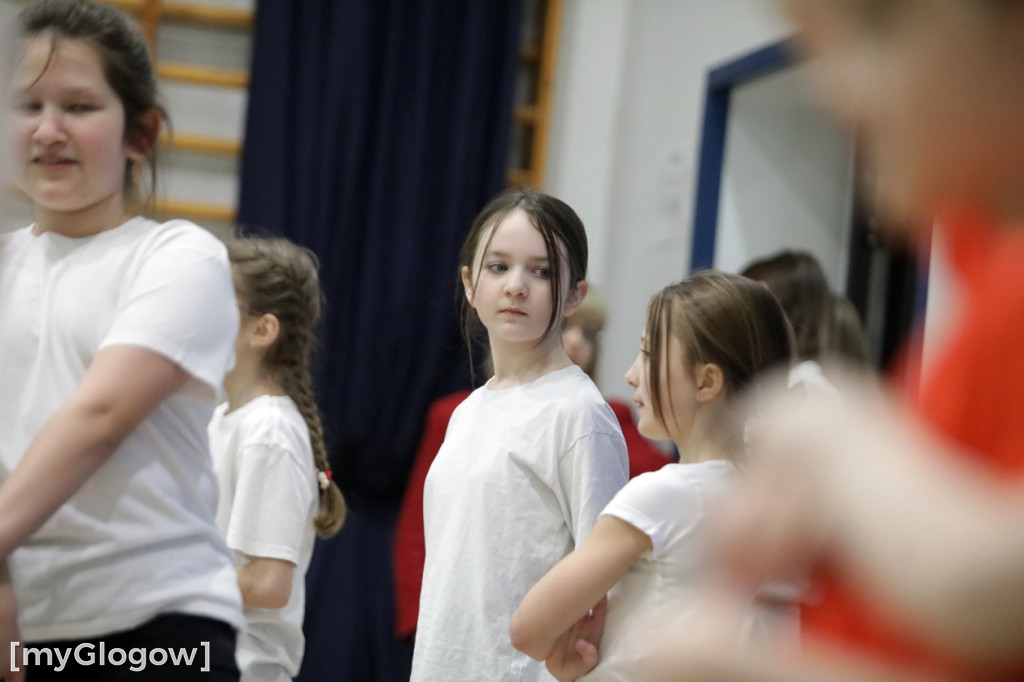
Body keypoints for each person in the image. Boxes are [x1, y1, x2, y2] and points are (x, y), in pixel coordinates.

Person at [649, 0, 1024, 679]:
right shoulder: (985, 260)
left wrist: (838, 438)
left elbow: (986, 581)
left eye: (880, 26)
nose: (833, 90)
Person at [0, 0, 244, 678]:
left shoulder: (178, 257)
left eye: (78, 106)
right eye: (26, 105)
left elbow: (97, 418)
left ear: (141, 133)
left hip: (159, 626)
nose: (49, 129)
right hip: (35, 626)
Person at [510, 271, 796, 681]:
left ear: (706, 381)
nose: (631, 374)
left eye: (648, 354)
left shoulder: (662, 494)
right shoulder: (766, 501)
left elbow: (529, 629)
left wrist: (567, 645)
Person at [409, 187, 629, 682]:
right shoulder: (468, 412)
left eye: (542, 271)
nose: (516, 286)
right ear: (469, 283)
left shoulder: (579, 414)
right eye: (498, 267)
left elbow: (607, 592)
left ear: (576, 295)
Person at [209, 237, 347, 682]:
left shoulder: (269, 432)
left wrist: (157, 581)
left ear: (262, 330)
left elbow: (268, 584)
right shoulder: (219, 419)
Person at [562, 290, 673, 478]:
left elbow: (663, 475)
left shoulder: (610, 416)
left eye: (588, 334)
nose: (576, 340)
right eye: (565, 325)